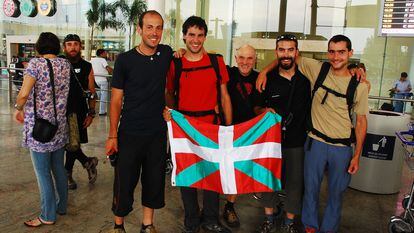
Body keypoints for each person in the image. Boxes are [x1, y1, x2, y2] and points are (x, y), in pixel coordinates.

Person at [257, 35, 369, 233]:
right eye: (332, 52)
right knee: (310, 189)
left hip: (342, 147)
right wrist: (265, 70)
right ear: (328, 53)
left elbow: (361, 122)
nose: (336, 57)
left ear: (350, 54)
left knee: (336, 193)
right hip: (315, 142)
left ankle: (328, 229)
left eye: (342, 52)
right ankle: (310, 227)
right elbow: (286, 56)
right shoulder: (318, 69)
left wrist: (357, 155)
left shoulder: (359, 86)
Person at [105, 10, 173, 233]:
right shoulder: (125, 60)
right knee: (124, 182)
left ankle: (147, 225)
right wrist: (112, 135)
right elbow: (115, 100)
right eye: (150, 27)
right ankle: (118, 225)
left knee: (154, 182)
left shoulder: (166, 54)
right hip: (130, 133)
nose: (154, 33)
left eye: (159, 27)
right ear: (139, 29)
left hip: (156, 133)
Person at [164, 16, 232, 233]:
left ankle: (211, 218)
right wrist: (174, 116)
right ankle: (192, 219)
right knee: (188, 174)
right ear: (184, 36)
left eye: (200, 35)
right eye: (191, 34)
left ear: (205, 37)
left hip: (212, 126)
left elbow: (225, 96)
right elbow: (169, 93)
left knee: (213, 173)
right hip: (186, 129)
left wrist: (229, 128)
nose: (195, 40)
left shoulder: (216, 61)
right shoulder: (175, 62)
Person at [253, 34, 310, 233]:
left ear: (297, 52)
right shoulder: (267, 79)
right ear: (276, 52)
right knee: (268, 180)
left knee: (295, 183)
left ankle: (289, 222)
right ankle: (269, 218)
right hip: (270, 143)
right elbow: (256, 108)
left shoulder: (306, 81)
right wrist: (263, 112)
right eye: (282, 49)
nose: (286, 54)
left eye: (290, 49)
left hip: (296, 142)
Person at [14, 32, 70, 227]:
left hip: (40, 129)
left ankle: (47, 215)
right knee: (59, 169)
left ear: (38, 47)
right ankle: (61, 206)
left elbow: (24, 94)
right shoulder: (65, 64)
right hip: (59, 126)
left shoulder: (35, 65)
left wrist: (18, 109)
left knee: (42, 173)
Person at [222, 44, 258, 228]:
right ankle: (210, 208)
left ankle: (229, 206)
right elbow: (205, 54)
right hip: (224, 131)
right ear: (236, 59)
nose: (245, 62)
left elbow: (259, 105)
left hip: (247, 135)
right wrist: (179, 52)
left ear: (255, 59)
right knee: (218, 170)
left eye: (250, 58)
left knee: (236, 173)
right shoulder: (227, 73)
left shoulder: (260, 78)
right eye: (242, 58)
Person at [63, 34, 98, 190]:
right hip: (59, 111)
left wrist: (91, 113)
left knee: (73, 144)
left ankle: (68, 175)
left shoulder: (87, 66)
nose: (72, 47)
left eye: (75, 44)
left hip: (78, 111)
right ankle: (87, 162)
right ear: (64, 47)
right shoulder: (59, 63)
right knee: (69, 144)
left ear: (80, 46)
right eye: (69, 44)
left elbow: (92, 91)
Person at [90, 48, 113, 115]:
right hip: (103, 80)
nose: (106, 54)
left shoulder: (92, 60)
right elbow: (107, 68)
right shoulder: (103, 60)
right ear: (101, 54)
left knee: (96, 95)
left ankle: (92, 109)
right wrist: (113, 71)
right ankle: (102, 111)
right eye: (105, 53)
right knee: (104, 95)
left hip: (95, 80)